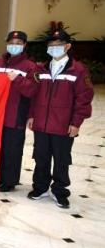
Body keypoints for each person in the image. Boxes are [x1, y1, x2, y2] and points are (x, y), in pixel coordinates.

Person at [27, 29, 94, 209]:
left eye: (58, 45)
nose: (54, 49)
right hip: (41, 122)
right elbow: (34, 95)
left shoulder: (78, 70)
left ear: (67, 46)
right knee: (41, 156)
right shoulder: (41, 69)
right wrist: (32, 115)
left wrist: (76, 122)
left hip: (63, 125)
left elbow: (84, 98)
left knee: (61, 158)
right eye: (51, 46)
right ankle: (40, 187)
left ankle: (60, 191)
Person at [0, 31, 39, 192]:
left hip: (16, 113)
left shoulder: (30, 66)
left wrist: (17, 79)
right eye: (11, 42)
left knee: (12, 148)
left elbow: (33, 90)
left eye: (18, 43)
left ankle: (9, 180)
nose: (14, 46)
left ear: (25, 45)